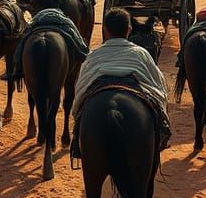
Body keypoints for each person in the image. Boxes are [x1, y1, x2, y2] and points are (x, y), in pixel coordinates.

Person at [72, 9, 171, 155]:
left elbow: (81, 85)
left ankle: (77, 137)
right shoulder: (141, 53)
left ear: (105, 30)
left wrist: (76, 111)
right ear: (129, 29)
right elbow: (158, 84)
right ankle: (161, 134)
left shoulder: (94, 55)